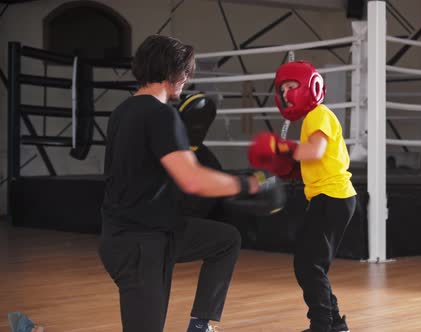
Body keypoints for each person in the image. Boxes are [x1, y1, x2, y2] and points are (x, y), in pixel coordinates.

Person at [99, 34, 282, 332]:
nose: (186, 79)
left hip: (151, 234)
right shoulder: (161, 115)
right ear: (173, 72)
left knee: (225, 240)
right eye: (185, 72)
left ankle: (200, 325)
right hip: (140, 245)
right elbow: (192, 179)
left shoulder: (123, 111)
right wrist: (250, 184)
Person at [248, 61, 357, 332]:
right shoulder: (313, 118)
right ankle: (334, 323)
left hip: (332, 196)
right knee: (311, 264)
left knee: (309, 265)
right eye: (282, 89)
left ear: (311, 87)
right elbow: (314, 160)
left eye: (291, 86)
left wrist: (281, 148)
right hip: (329, 197)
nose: (286, 93)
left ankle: (323, 325)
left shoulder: (318, 114)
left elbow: (315, 151)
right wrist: (289, 169)